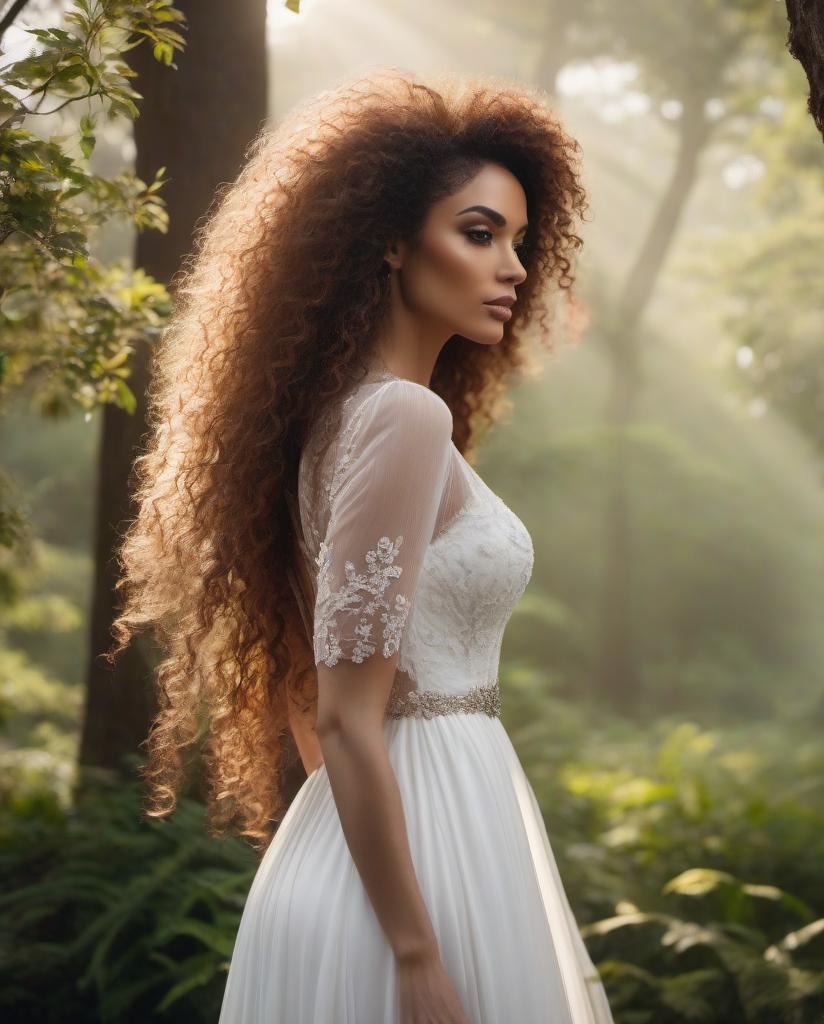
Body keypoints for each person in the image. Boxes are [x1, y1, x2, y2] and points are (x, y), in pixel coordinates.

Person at [107, 69, 612, 1023]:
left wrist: (341, 876)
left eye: (518, 241)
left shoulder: (344, 420)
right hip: (425, 855)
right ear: (389, 241)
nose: (513, 267)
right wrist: (414, 951)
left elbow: (306, 689)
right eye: (478, 233)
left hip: (382, 849)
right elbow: (341, 714)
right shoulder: (403, 419)